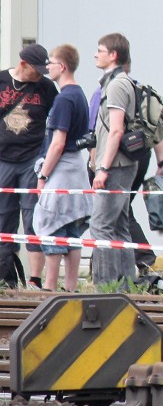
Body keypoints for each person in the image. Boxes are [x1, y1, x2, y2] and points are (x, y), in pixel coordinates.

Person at [33, 45, 92, 291]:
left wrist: (43, 174)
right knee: (70, 230)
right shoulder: (79, 94)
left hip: (62, 168)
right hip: (75, 168)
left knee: (51, 223)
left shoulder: (64, 98)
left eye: (52, 63)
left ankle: (49, 287)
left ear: (63, 66)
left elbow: (57, 143)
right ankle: (69, 288)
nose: (48, 67)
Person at [0, 44, 57, 288]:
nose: (41, 74)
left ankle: (34, 279)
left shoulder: (46, 88)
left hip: (31, 160)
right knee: (4, 217)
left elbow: (56, 120)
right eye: (37, 69)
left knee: (33, 216)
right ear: (23, 64)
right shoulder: (2, 80)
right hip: (3, 159)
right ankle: (6, 274)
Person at [90, 33, 140, 288]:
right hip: (121, 165)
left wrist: (102, 168)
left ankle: (105, 286)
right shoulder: (115, 82)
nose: (95, 54)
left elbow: (117, 130)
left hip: (116, 166)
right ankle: (125, 286)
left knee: (100, 226)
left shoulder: (117, 85)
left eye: (100, 50)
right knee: (119, 227)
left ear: (113, 55)